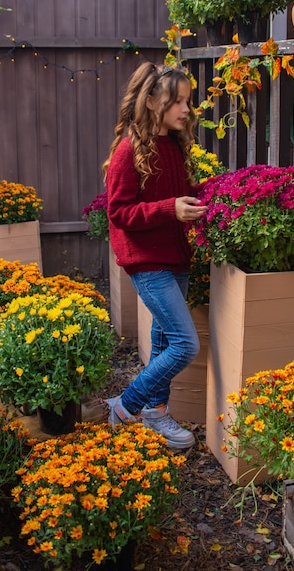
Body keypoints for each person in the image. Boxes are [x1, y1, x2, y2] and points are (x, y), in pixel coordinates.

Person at [103, 62, 207, 449]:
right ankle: (126, 405)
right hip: (147, 262)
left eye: (187, 101)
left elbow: (177, 192)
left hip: (175, 257)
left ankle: (156, 412)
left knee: (164, 342)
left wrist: (215, 191)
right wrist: (170, 209)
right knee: (185, 344)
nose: (186, 109)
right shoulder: (129, 151)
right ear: (150, 101)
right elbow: (119, 213)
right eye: (176, 101)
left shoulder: (174, 145)